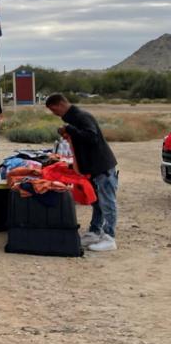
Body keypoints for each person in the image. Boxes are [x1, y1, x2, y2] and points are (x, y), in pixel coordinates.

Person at [45, 93, 118, 251]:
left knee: (108, 203)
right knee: (96, 202)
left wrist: (70, 130)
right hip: (93, 169)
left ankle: (110, 237)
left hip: (102, 167)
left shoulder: (81, 117)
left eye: (53, 110)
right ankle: (95, 231)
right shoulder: (73, 119)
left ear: (59, 105)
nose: (54, 113)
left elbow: (92, 137)